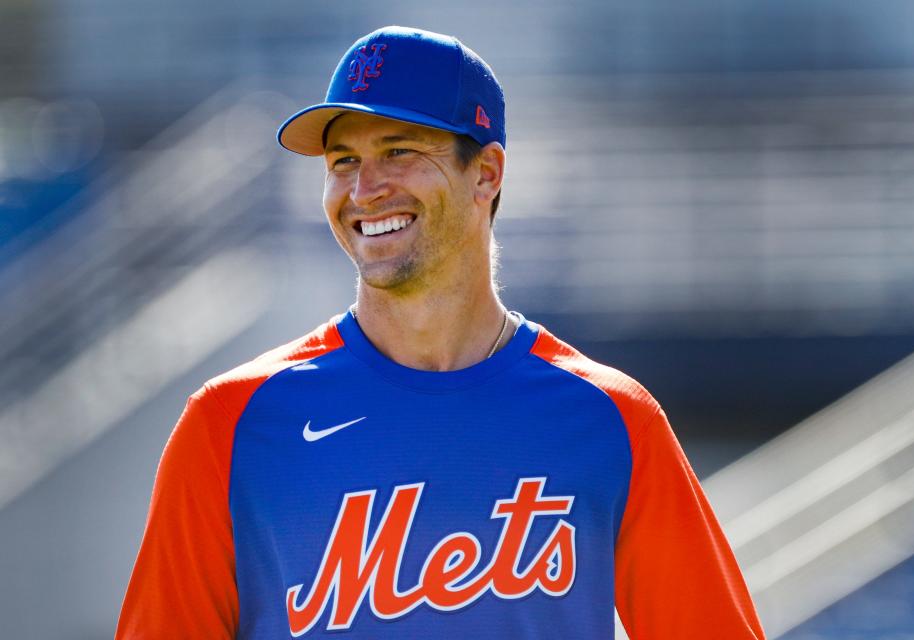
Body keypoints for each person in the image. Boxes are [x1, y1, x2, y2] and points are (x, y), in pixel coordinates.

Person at [116, 26, 765, 639]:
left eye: (398, 151)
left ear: (486, 173)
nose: (364, 189)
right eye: (343, 161)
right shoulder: (230, 425)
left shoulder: (610, 419)